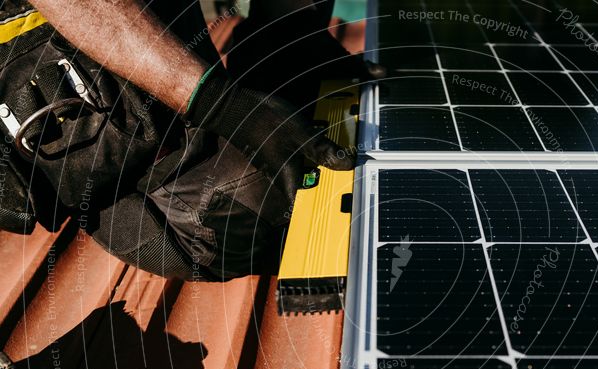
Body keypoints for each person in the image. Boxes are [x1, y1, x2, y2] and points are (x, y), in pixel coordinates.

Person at [0, 0, 381, 280]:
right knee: (248, 211)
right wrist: (220, 103)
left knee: (303, 121)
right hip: (148, 179)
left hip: (192, 78)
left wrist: (290, 29)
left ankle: (274, 43)